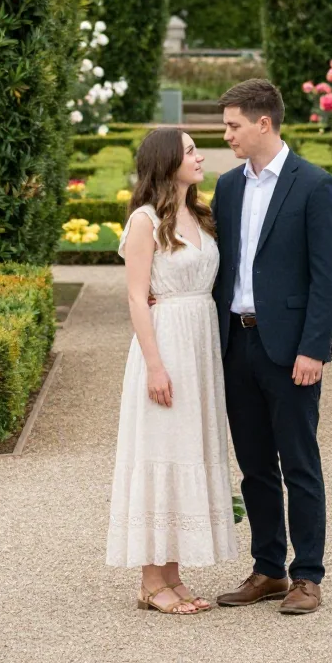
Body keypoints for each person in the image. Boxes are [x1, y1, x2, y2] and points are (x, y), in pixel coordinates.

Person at [210, 79, 332, 615]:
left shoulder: (314, 185)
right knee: (255, 467)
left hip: (291, 352)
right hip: (236, 345)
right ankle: (267, 569)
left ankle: (307, 576)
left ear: (263, 122)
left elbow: (326, 276)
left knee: (300, 464)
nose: (226, 136)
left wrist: (313, 349)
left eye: (233, 125)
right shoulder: (228, 187)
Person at [107, 128, 238, 614]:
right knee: (161, 448)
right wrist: (156, 365)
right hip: (164, 346)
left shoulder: (200, 215)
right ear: (166, 161)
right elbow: (137, 297)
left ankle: (174, 575)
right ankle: (149, 581)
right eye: (189, 151)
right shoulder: (144, 221)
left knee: (189, 445)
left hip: (200, 343)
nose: (200, 156)